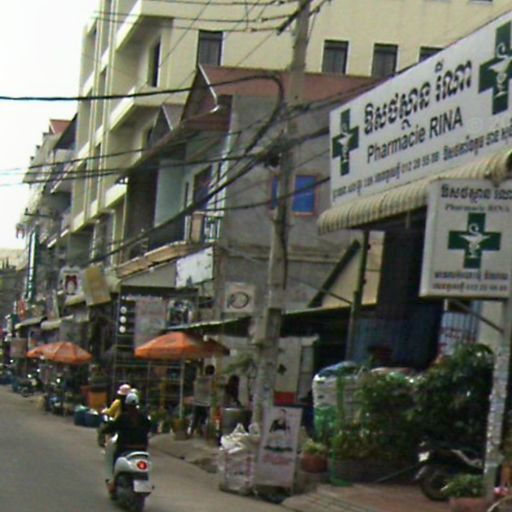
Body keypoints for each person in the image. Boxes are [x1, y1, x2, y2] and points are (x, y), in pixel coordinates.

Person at [101, 392, 151, 491]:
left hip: (125, 448)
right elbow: (149, 427)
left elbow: (111, 427)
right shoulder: (143, 418)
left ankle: (113, 482)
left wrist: (104, 430)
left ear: (127, 405)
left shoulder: (123, 417)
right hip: (142, 448)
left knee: (115, 458)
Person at [189, 364, 215, 436]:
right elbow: (211, 391)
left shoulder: (198, 379)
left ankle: (192, 432)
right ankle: (204, 433)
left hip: (197, 401)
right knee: (205, 419)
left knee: (195, 418)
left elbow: (195, 387)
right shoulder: (211, 380)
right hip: (206, 402)